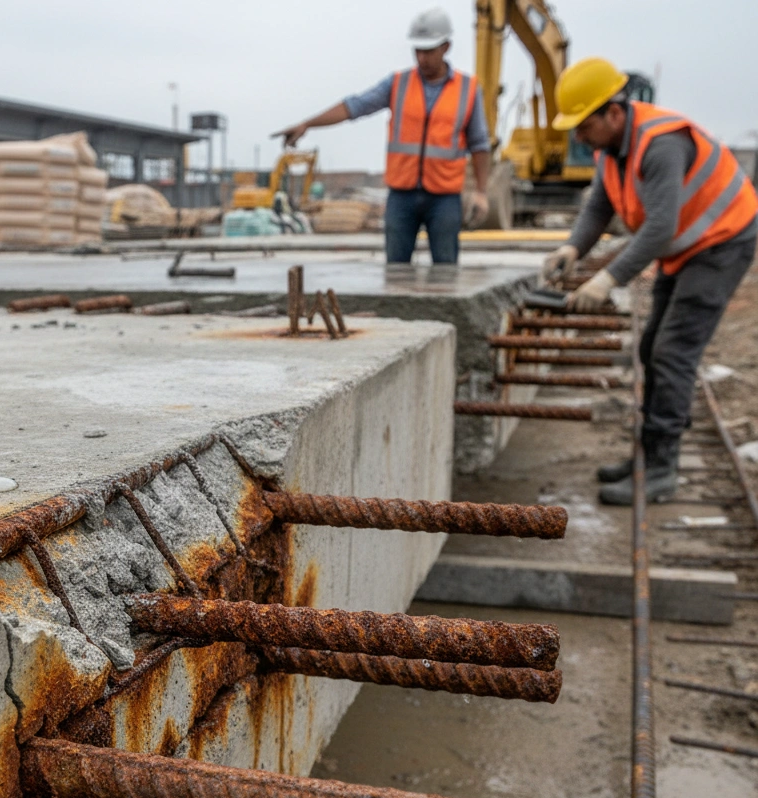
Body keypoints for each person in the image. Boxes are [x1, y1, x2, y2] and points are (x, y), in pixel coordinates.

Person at [542, 57, 757, 505]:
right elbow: (599, 207)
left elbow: (660, 227)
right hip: (687, 248)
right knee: (650, 347)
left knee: (673, 351)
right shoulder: (610, 150)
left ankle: (662, 469)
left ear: (613, 113)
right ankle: (649, 452)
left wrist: (607, 280)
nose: (578, 137)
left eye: (583, 126)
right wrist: (572, 249)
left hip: (722, 241)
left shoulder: (661, 144)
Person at [274, 7, 491, 265]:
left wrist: (481, 192)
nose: (421, 58)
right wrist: (308, 124)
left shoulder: (467, 89)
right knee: (396, 270)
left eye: (428, 51)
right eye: (417, 50)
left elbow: (480, 144)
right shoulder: (399, 83)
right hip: (402, 195)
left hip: (444, 198)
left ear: (446, 47)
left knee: (446, 269)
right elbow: (355, 106)